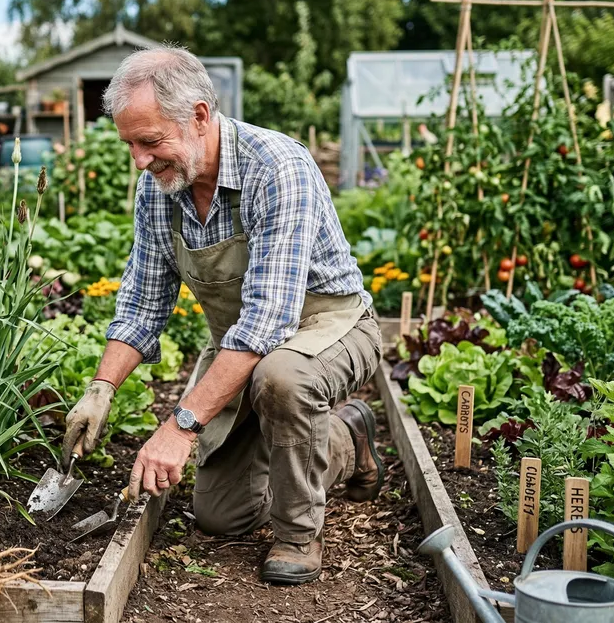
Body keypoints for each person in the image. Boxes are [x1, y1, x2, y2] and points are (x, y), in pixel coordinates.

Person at [61, 46, 384, 585]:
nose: (139, 160)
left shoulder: (277, 166)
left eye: (150, 141)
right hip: (242, 347)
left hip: (328, 328)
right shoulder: (159, 189)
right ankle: (335, 438)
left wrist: (181, 426)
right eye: (130, 144)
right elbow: (143, 301)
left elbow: (268, 321)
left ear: (200, 116)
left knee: (283, 377)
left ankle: (299, 532)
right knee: (220, 517)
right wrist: (101, 389)